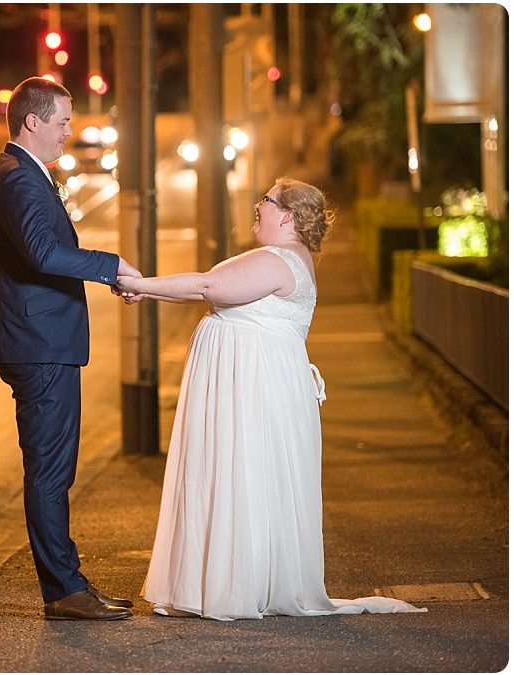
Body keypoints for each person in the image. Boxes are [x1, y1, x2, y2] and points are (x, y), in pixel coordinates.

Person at [115, 178, 426, 620]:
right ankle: (221, 582)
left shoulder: (280, 260)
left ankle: (235, 585)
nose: (257, 205)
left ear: (288, 216)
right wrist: (148, 288)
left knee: (243, 470)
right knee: (234, 470)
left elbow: (209, 288)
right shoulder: (278, 257)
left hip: (255, 387)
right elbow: (211, 288)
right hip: (248, 381)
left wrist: (143, 284)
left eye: (267, 199)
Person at [0, 77, 140, 621]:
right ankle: (65, 591)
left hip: (44, 342)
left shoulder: (27, 175)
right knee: (50, 470)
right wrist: (110, 265)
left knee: (55, 467)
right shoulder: (18, 179)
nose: (71, 132)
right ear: (33, 121)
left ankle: (68, 586)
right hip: (39, 345)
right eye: (63, 121)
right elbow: (44, 253)